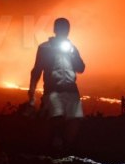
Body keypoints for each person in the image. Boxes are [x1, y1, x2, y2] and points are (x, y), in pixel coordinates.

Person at [28, 17, 85, 151]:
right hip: (53, 90)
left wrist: (72, 54)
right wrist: (32, 90)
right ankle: (54, 149)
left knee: (74, 122)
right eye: (62, 29)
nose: (64, 31)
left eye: (65, 29)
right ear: (55, 30)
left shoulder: (71, 48)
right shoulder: (44, 48)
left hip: (70, 90)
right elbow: (37, 70)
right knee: (56, 120)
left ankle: (66, 150)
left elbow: (81, 68)